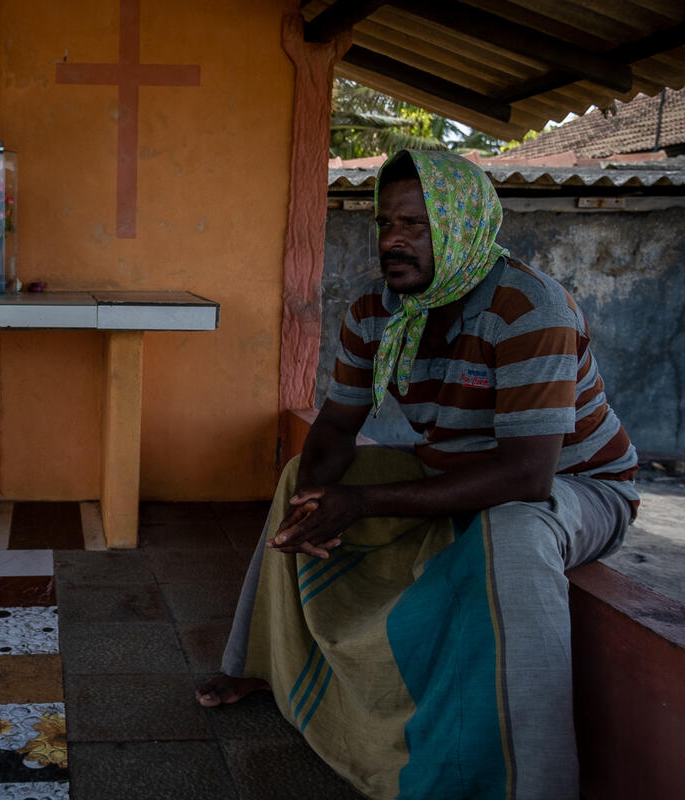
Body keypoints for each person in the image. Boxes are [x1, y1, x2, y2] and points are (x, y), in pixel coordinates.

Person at [196, 150, 638, 800]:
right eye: (384, 224)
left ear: (460, 226)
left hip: (579, 487)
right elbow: (336, 430)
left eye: (414, 225)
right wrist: (318, 499)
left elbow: (527, 475)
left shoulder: (530, 306)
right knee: (298, 475)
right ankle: (260, 663)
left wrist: (364, 500)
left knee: (512, 529)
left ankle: (531, 783)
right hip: (455, 470)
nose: (392, 241)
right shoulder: (377, 310)